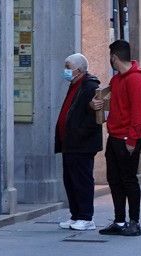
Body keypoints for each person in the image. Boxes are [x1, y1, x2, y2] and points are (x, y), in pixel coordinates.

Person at [92, 40, 141, 237]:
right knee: (114, 180)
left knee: (129, 180)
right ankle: (119, 220)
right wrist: (96, 103)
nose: (110, 61)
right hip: (115, 136)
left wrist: (132, 140)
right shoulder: (117, 80)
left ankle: (134, 222)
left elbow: (138, 114)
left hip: (128, 138)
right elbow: (107, 99)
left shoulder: (135, 80)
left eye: (110, 57)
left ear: (114, 57)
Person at [54, 53, 103, 232]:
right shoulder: (74, 85)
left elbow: (95, 117)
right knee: (70, 180)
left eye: (68, 67)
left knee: (82, 180)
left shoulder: (90, 87)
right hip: (69, 143)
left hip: (81, 144)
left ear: (79, 70)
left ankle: (86, 217)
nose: (66, 71)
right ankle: (75, 215)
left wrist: (78, 132)